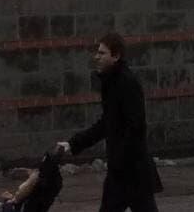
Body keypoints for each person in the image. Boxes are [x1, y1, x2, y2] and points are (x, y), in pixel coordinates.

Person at [57, 33, 162, 212]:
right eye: (97, 52)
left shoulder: (126, 83)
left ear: (116, 56)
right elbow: (106, 124)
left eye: (102, 53)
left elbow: (136, 126)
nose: (96, 57)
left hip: (132, 170)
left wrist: (120, 159)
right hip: (124, 170)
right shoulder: (112, 82)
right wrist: (73, 143)